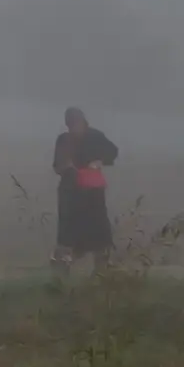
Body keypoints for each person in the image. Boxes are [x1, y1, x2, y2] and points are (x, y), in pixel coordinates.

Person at [51, 107, 119, 277]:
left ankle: (101, 272)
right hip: (70, 193)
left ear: (83, 122)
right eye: (71, 124)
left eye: (77, 123)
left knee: (100, 233)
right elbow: (57, 166)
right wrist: (66, 167)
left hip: (92, 192)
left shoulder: (95, 137)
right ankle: (61, 273)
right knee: (68, 235)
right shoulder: (63, 140)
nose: (74, 128)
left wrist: (99, 161)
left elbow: (112, 152)